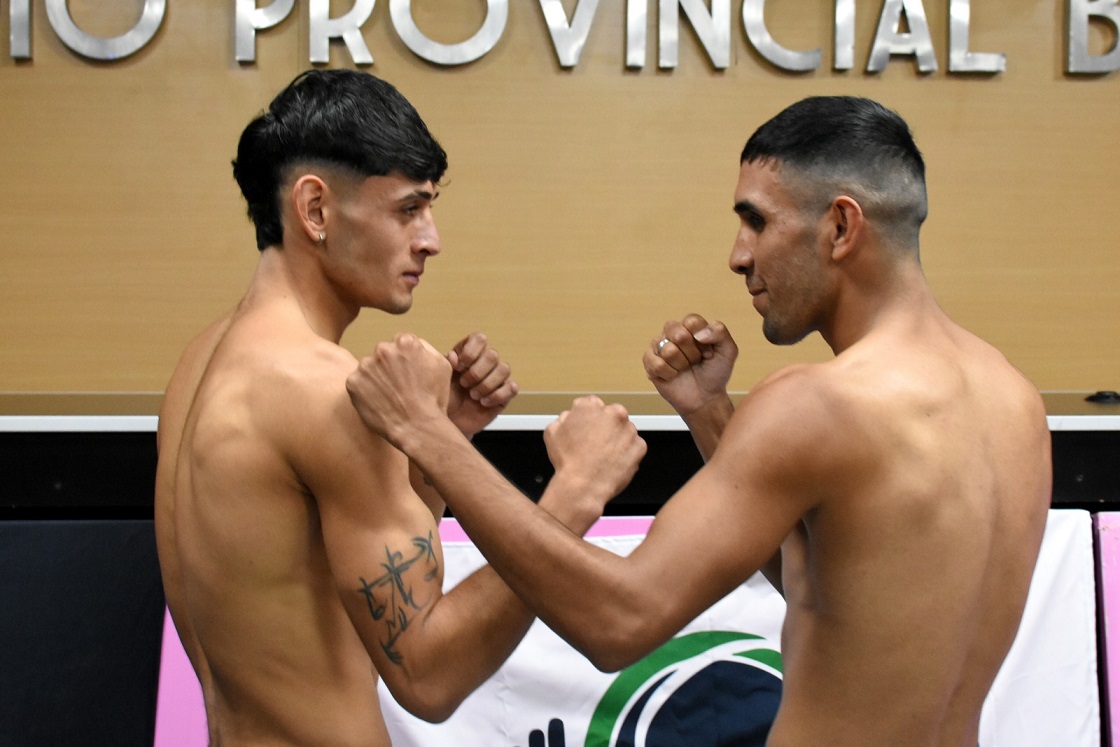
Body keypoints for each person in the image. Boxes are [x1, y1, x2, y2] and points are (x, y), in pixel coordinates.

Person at [345, 96, 1053, 744]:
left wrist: (428, 434)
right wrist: (711, 413)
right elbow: (846, 593)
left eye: (757, 220)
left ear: (841, 226)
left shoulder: (818, 402)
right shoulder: (1012, 400)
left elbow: (619, 621)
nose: (738, 256)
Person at [153, 69, 646, 745]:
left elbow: (309, 595)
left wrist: (437, 444)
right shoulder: (323, 390)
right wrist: (576, 490)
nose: (430, 239)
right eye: (408, 210)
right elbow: (429, 676)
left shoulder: (200, 362)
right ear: (316, 210)